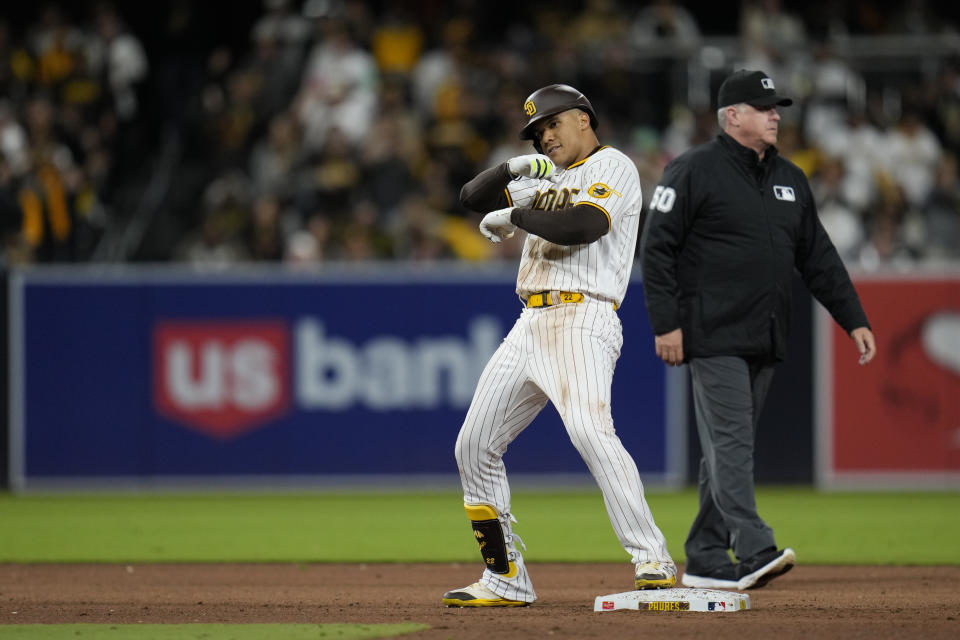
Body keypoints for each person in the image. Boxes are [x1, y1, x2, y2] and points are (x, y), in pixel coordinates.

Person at [640, 69, 877, 590]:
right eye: (764, 107)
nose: (775, 115)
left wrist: (852, 316)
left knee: (727, 448)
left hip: (765, 334)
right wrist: (667, 323)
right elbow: (655, 250)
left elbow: (819, 257)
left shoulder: (791, 178)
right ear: (732, 116)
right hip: (711, 333)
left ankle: (704, 555)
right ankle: (752, 548)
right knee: (732, 443)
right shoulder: (692, 171)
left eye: (777, 107)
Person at [441, 84, 676, 607]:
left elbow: (585, 224)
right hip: (530, 321)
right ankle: (505, 579)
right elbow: (468, 199)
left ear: (584, 119)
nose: (545, 136)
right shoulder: (546, 175)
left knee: (590, 431)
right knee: (473, 447)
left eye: (553, 124)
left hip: (584, 315)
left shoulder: (612, 166)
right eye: (537, 131)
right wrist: (514, 170)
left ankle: (652, 558)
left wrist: (519, 214)